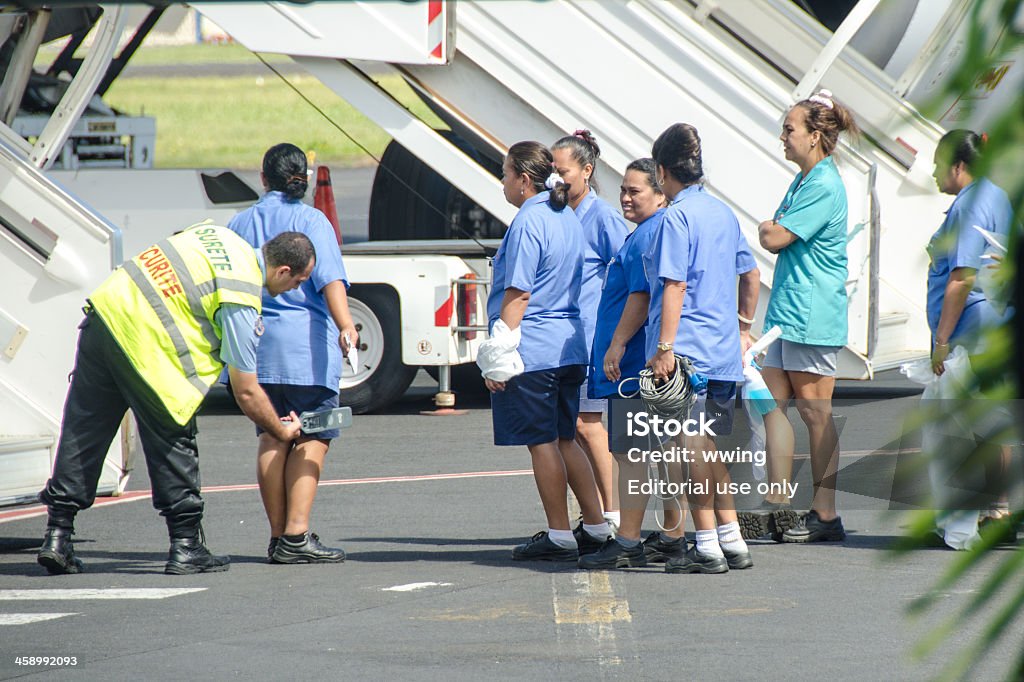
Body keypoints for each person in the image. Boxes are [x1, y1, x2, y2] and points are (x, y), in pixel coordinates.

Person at [36, 225, 313, 575]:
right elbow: (246, 390)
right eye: (297, 282)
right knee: (173, 441)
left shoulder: (218, 235)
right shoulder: (241, 292)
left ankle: (57, 535)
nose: (294, 290)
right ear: (283, 270)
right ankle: (186, 545)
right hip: (149, 347)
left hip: (105, 317)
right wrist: (280, 430)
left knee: (83, 432)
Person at [640, 123, 761, 574]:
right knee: (708, 445)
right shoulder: (722, 213)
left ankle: (707, 544)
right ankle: (730, 538)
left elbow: (674, 284)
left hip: (687, 349)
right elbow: (750, 275)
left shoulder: (676, 217)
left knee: (688, 447)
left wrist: (664, 348)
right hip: (724, 350)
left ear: (661, 170)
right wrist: (744, 327)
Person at [229, 143, 358, 564]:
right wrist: (345, 325)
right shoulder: (311, 220)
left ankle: (276, 536)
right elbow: (330, 280)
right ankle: (297, 536)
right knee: (313, 436)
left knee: (271, 436)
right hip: (308, 349)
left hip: (258, 348)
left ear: (262, 177)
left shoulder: (240, 221)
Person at [742, 89, 858, 543]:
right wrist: (774, 228)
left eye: (789, 129)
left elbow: (773, 235)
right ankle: (776, 503)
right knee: (769, 406)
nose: (783, 137)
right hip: (789, 312)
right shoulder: (806, 180)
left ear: (814, 136)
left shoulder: (824, 183)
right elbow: (775, 231)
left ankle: (825, 514)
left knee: (815, 413)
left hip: (811, 313)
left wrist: (773, 228)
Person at [487, 140, 610, 561]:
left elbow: (519, 294)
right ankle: (595, 525)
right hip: (570, 344)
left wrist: (499, 352)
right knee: (564, 438)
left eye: (505, 174)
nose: (502, 182)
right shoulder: (568, 217)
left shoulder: (528, 221)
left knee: (542, 442)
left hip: (534, 349)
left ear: (523, 179)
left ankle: (559, 534)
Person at [576, 159, 687, 569]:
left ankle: (628, 541)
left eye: (635, 190)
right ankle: (672, 535)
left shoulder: (648, 234)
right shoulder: (652, 231)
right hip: (646, 364)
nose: (625, 197)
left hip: (636, 368)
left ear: (660, 194)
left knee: (633, 453)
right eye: (623, 189)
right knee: (661, 451)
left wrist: (616, 345)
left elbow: (639, 297)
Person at [926, 129, 1016, 543]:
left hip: (972, 328)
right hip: (998, 321)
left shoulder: (968, 207)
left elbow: (962, 278)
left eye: (938, 165)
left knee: (964, 422)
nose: (933, 173)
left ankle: (974, 510)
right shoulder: (996, 195)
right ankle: (998, 508)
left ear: (958, 166)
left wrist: (941, 339)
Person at [551, 130, 630, 530]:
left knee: (587, 425)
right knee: (575, 427)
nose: (556, 180)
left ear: (586, 170)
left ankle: (611, 511)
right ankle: (597, 512)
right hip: (568, 341)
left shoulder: (602, 218)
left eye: (562, 171)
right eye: (552, 170)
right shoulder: (560, 213)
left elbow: (631, 270)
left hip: (593, 337)